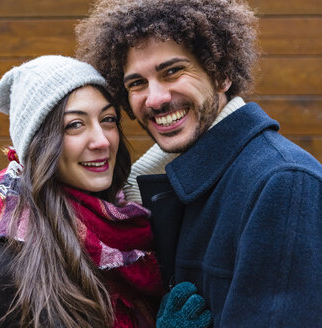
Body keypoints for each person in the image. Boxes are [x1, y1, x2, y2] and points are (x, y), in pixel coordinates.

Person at [75, 0, 322, 327]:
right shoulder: (156, 186)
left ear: (222, 75)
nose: (156, 98)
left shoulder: (283, 182)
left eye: (173, 71)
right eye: (137, 83)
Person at [0, 56, 212, 328]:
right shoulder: (12, 266)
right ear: (39, 145)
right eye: (75, 125)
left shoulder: (129, 231)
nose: (102, 140)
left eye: (108, 119)